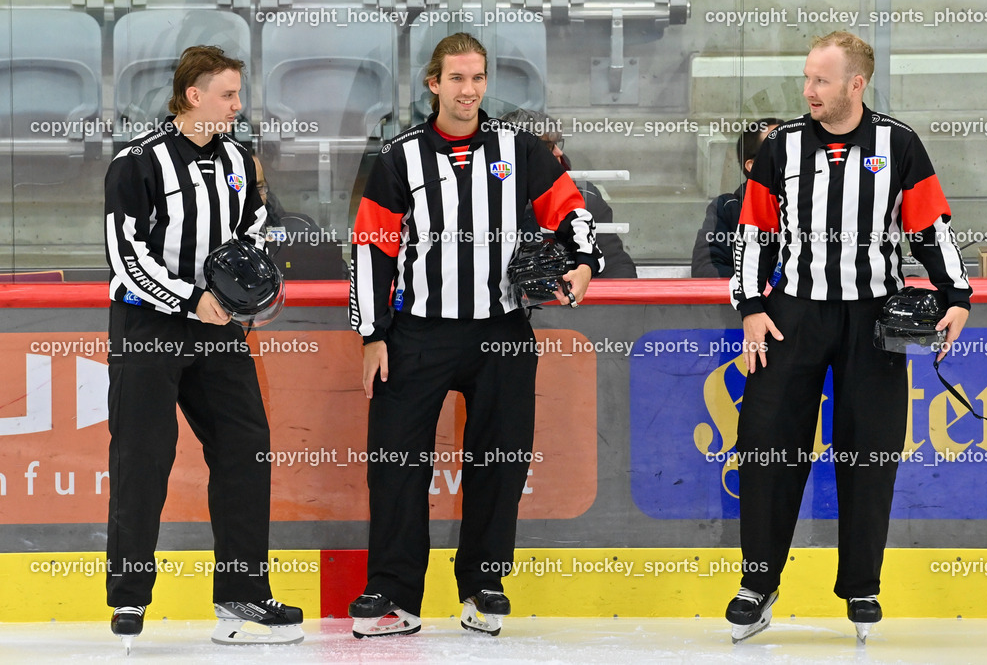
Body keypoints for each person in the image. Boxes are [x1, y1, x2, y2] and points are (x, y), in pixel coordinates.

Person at [347, 32, 602, 638]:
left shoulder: (522, 150)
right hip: (417, 335)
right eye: (457, 79)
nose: (469, 90)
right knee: (396, 464)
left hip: (503, 331)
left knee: (499, 462)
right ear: (433, 84)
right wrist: (371, 334)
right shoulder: (398, 157)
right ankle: (393, 591)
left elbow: (572, 211)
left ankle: (484, 584)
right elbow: (370, 249)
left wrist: (584, 260)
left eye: (478, 78)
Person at [725, 31, 971, 643]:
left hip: (874, 318)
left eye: (821, 80)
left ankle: (862, 585)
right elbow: (754, 231)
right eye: (806, 78)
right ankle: (758, 582)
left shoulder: (900, 144)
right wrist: (751, 305)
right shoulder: (781, 146)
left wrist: (957, 294)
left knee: (870, 451)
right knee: (766, 445)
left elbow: (931, 223)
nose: (808, 90)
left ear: (855, 85)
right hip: (793, 314)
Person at [104, 45, 302, 651]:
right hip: (149, 327)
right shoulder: (137, 163)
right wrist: (190, 300)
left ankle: (242, 591)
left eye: (239, 95)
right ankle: (131, 594)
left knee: (246, 447)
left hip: (218, 329)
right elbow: (124, 256)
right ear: (194, 96)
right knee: (144, 456)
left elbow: (252, 234)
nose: (239, 106)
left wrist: (250, 297)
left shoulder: (240, 161)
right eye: (228, 95)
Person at [500, 108, 637, 278]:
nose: (559, 152)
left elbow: (616, 266)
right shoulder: (483, 197)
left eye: (558, 143)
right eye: (547, 146)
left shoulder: (582, 197)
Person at [691, 118, 784, 278]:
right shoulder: (728, 208)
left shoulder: (816, 203)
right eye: (780, 148)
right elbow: (707, 269)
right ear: (753, 165)